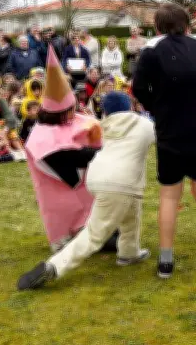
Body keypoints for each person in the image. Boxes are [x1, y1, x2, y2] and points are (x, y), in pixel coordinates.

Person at [17, 92, 155, 290]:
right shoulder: (143, 124)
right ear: (130, 107)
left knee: (131, 213)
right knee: (94, 234)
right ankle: (54, 267)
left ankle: (129, 252)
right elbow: (163, 135)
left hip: (100, 178)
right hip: (120, 182)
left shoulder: (103, 125)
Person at [132, 2, 196, 279]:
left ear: (158, 26)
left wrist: (158, 108)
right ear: (186, 23)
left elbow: (138, 88)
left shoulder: (151, 49)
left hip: (170, 130)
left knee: (169, 196)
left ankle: (166, 259)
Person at [24, 46, 105, 253]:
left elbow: (90, 129)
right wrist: (99, 153)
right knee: (61, 206)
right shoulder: (42, 133)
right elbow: (65, 156)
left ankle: (88, 229)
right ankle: (66, 235)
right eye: (69, 111)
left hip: (83, 178)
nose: (73, 113)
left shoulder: (75, 119)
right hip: (57, 179)